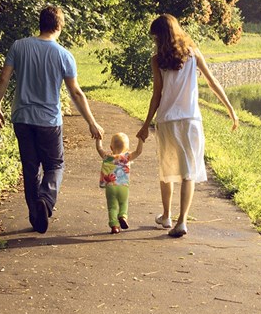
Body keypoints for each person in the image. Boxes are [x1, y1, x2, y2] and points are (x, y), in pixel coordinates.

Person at [0, 6, 103, 234]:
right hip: (49, 121)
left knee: (30, 168)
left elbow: (4, 77)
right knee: (55, 165)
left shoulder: (19, 46)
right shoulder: (64, 55)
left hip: (21, 118)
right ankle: (46, 199)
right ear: (59, 26)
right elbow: (76, 92)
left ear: (40, 23)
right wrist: (91, 121)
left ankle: (35, 214)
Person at [136, 14, 239, 237]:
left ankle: (166, 216)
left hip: (167, 121)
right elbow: (213, 82)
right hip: (191, 121)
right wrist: (230, 109)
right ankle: (182, 221)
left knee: (167, 170)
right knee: (188, 172)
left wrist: (146, 125)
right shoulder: (193, 54)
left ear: (161, 37)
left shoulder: (157, 60)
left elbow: (157, 95)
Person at [96, 133, 144, 234]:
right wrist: (140, 139)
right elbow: (139, 151)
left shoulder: (107, 157)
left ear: (111, 147)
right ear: (127, 148)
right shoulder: (127, 157)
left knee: (112, 207)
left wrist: (98, 138)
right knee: (123, 203)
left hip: (110, 187)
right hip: (123, 186)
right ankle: (122, 216)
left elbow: (99, 149)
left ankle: (114, 226)